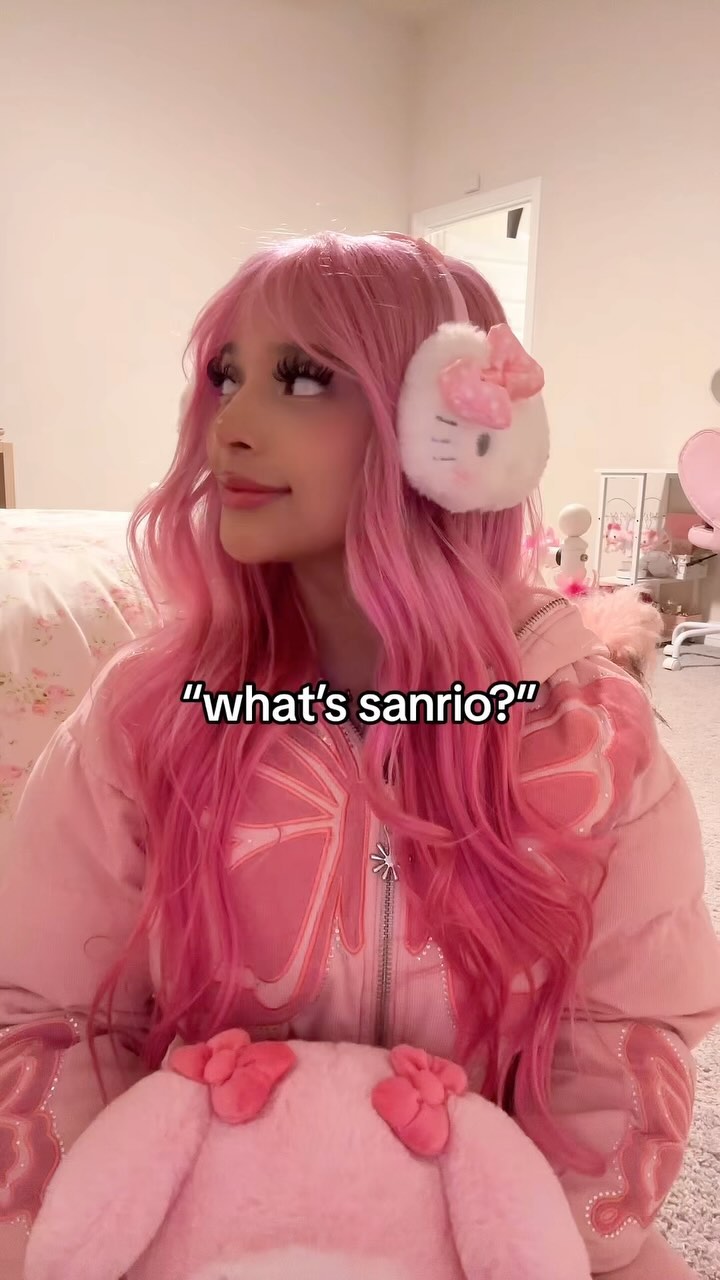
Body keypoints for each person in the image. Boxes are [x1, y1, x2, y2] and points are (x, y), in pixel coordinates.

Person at [1, 233, 718, 1279]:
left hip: (491, 1229)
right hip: (195, 1228)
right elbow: (44, 1007)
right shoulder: (147, 716)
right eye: (226, 376)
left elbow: (629, 1025)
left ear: (446, 427)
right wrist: (100, 1231)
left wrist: (542, 1240)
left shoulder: (589, 737)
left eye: (302, 379)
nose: (230, 425)